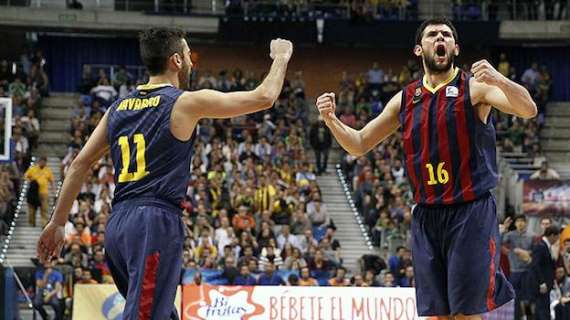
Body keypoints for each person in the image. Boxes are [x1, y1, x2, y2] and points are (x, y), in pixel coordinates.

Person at [37, 27, 293, 320]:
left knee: (159, 311)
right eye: (188, 54)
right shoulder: (184, 102)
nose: (192, 62)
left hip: (118, 225)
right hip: (154, 223)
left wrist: (58, 222)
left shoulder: (118, 108)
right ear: (177, 60)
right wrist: (281, 57)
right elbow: (265, 97)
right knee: (146, 315)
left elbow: (79, 164)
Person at [316, 17, 538, 319]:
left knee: (465, 313)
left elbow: (528, 109)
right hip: (426, 214)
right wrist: (331, 119)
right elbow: (358, 143)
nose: (440, 39)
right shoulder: (405, 99)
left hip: (470, 212)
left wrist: (500, 79)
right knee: (437, 315)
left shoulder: (476, 89)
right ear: (419, 49)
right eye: (433, 35)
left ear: (456, 48)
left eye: (446, 35)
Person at [527, 225, 560, 320]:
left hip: (546, 284)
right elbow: (535, 266)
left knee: (543, 309)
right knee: (542, 310)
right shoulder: (540, 246)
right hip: (540, 285)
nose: (557, 240)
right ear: (552, 235)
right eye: (557, 237)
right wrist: (542, 283)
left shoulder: (547, 247)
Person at [25, 156, 55, 227]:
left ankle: (44, 224)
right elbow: (26, 176)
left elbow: (52, 181)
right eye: (41, 161)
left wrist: (53, 189)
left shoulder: (48, 170)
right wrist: (31, 181)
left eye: (44, 161)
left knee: (44, 209)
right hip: (33, 193)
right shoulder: (33, 169)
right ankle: (31, 223)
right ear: (39, 161)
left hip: (44, 193)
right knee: (32, 209)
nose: (42, 163)